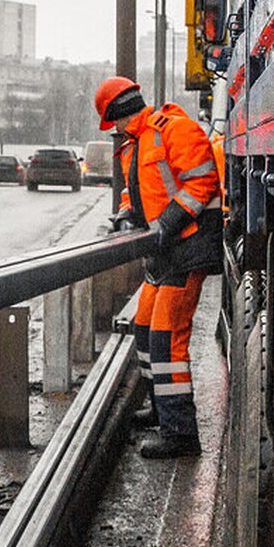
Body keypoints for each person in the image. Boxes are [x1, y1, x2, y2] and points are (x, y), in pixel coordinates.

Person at [95, 77, 221, 458]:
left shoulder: (173, 129)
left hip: (187, 249)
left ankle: (181, 434)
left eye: (112, 122)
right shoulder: (133, 147)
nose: (113, 130)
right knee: (146, 327)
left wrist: (166, 223)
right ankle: (160, 410)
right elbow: (133, 193)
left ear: (118, 113)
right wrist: (125, 217)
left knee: (168, 340)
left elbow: (202, 183)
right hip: (163, 256)